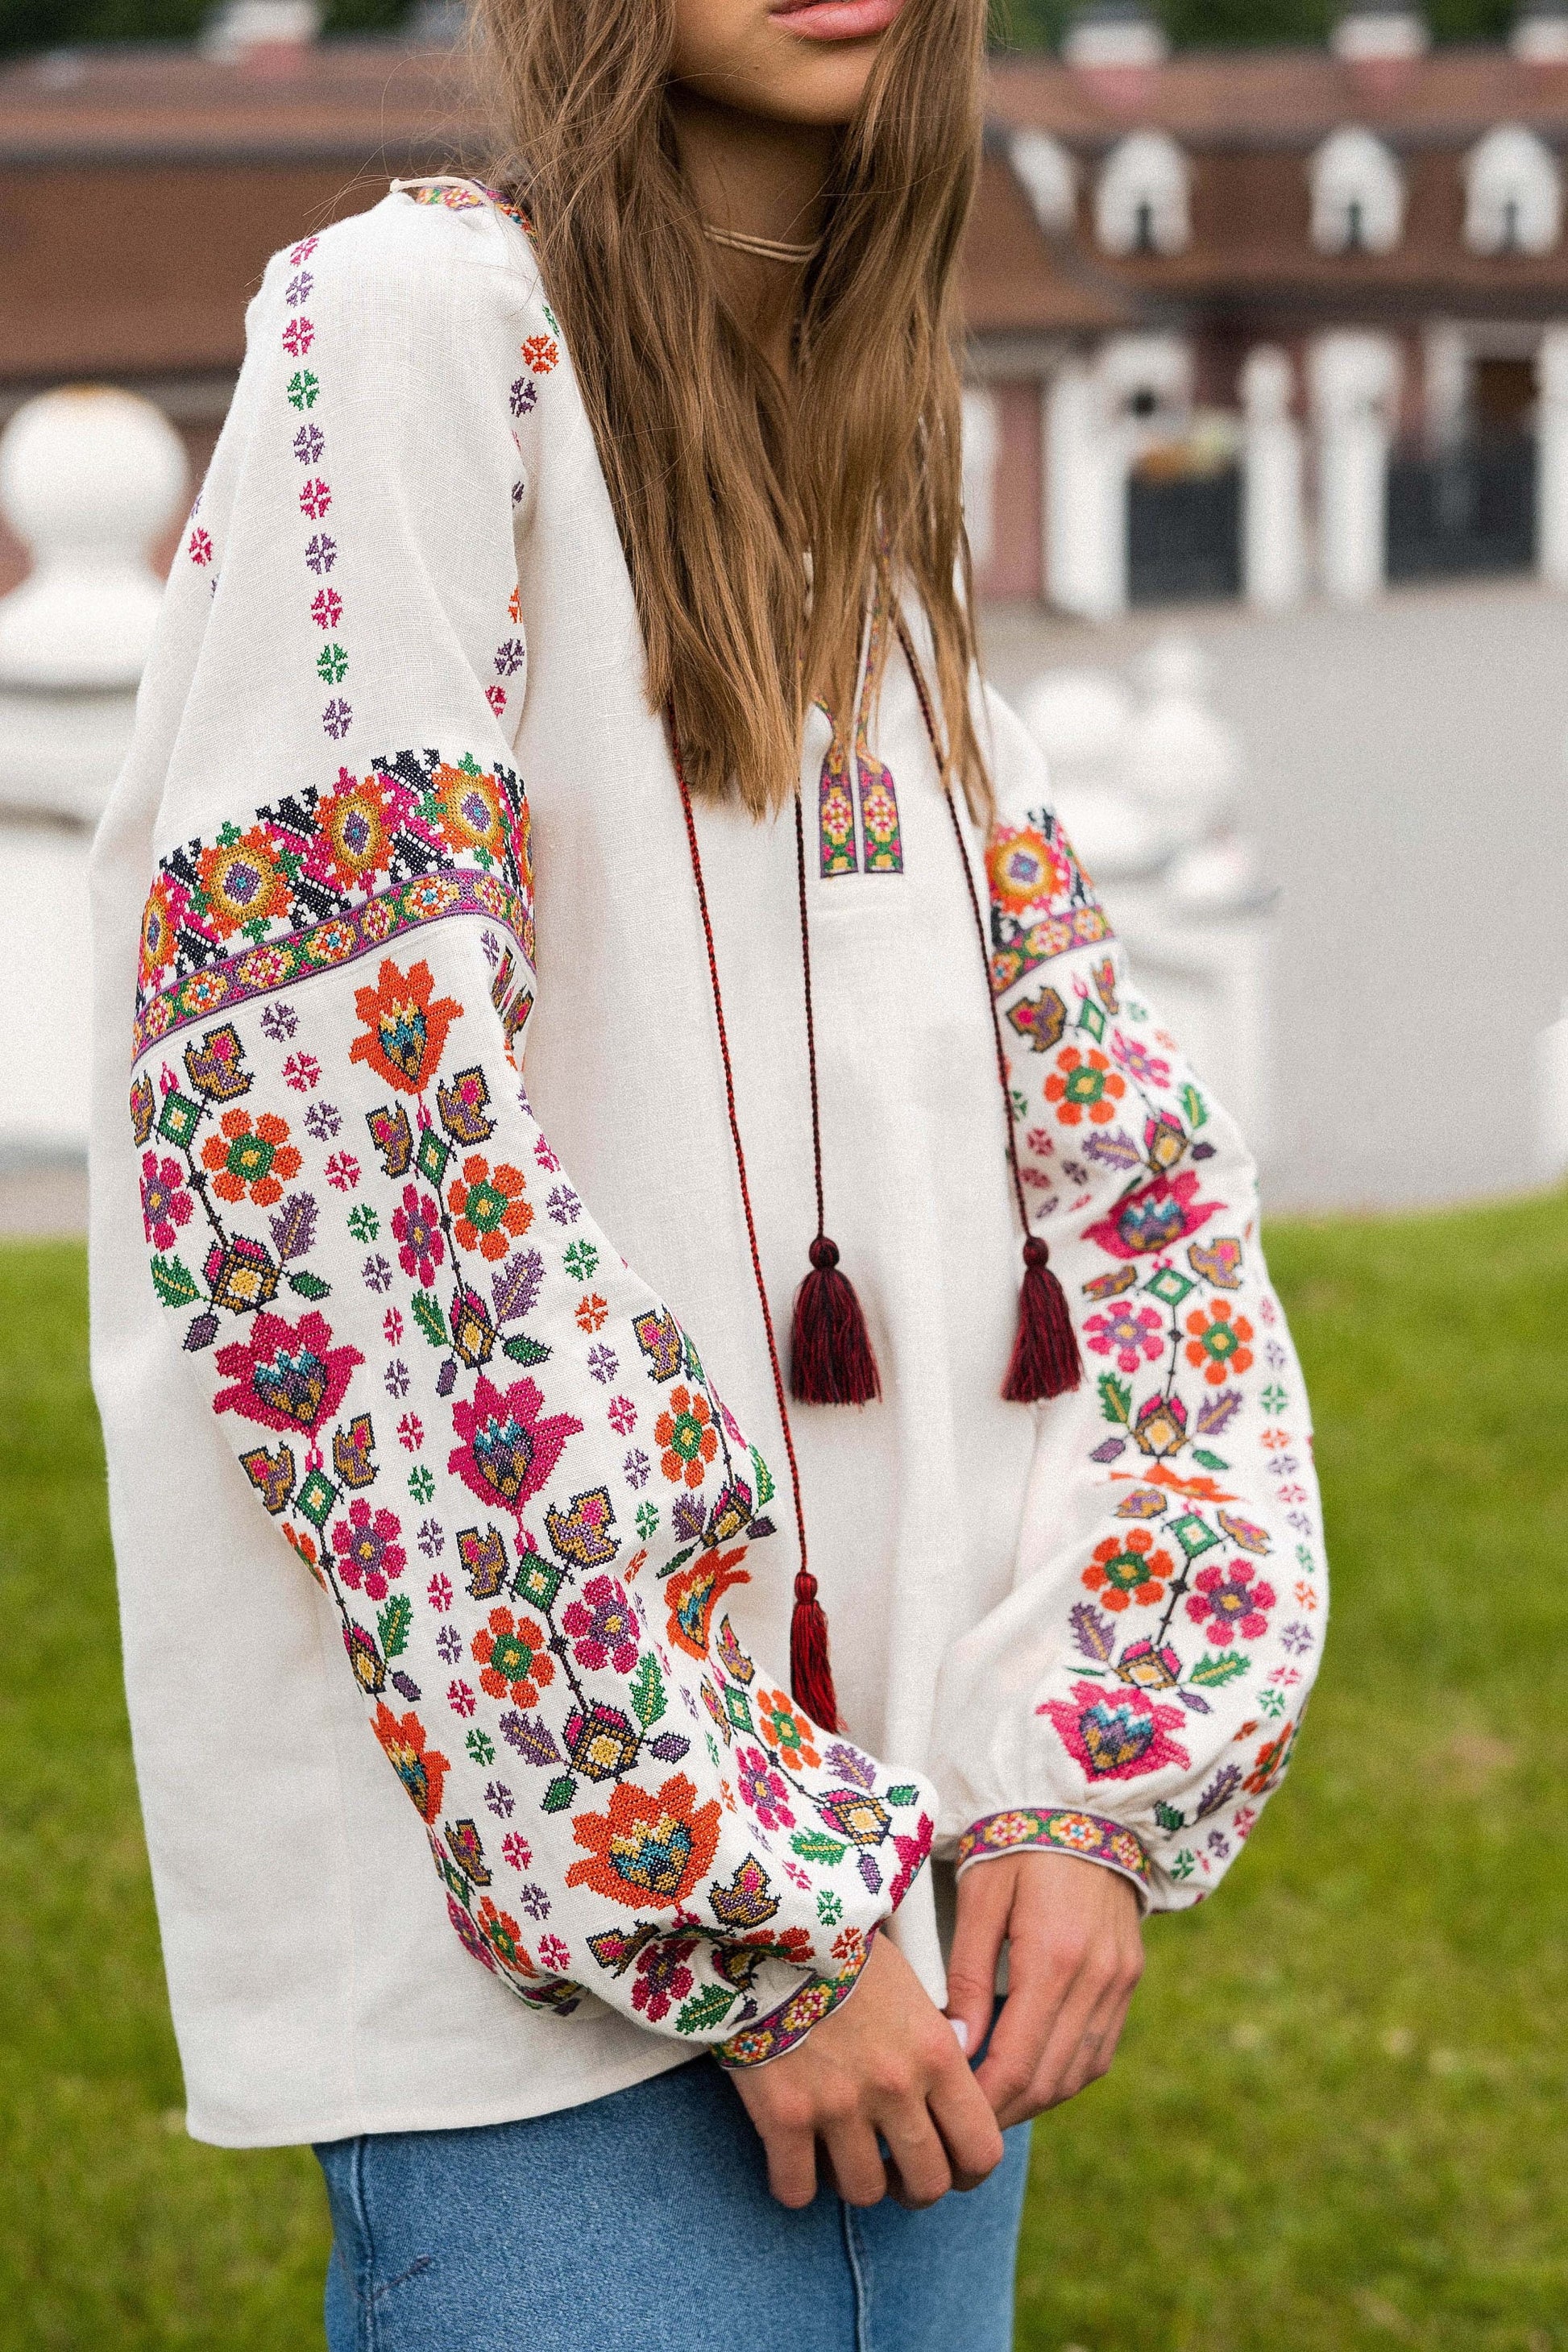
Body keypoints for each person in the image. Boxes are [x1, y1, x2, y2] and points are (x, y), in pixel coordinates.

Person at [89, 0, 1327, 2344]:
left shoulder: (846, 445)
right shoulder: (413, 325)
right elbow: (345, 1185)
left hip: (938, 1921)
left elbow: (1129, 1186)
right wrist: (733, 1907)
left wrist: (1083, 1774)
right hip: (569, 1995)